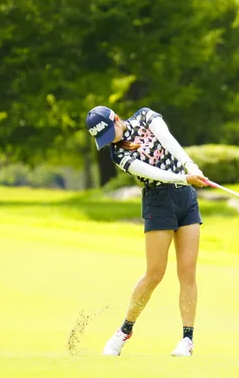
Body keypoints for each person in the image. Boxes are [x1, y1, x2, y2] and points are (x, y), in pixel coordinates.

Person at [85, 105, 210, 357]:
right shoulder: (118, 154)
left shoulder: (145, 116)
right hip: (158, 201)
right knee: (154, 273)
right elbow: (153, 173)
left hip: (186, 199)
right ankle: (124, 330)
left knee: (187, 271)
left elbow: (168, 140)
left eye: (110, 133)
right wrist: (184, 178)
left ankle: (187, 339)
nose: (111, 140)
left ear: (116, 119)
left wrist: (189, 165)